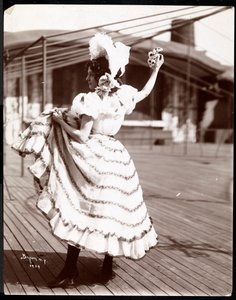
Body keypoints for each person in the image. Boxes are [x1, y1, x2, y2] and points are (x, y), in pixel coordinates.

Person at [12, 33, 164, 288]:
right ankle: (106, 268)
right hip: (118, 159)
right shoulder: (124, 95)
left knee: (80, 208)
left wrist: (59, 121)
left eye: (89, 75)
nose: (87, 79)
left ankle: (71, 269)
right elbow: (147, 91)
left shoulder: (90, 99)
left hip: (92, 155)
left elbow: (82, 137)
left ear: (99, 77)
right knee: (110, 211)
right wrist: (156, 69)